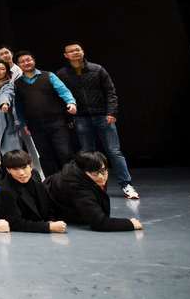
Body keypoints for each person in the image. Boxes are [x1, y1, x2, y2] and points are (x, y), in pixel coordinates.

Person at [57, 42, 138, 199]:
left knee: (114, 151)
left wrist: (112, 112)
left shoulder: (97, 69)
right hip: (81, 118)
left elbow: (110, 92)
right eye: (71, 51)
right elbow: (61, 97)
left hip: (103, 116)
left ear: (82, 51)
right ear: (66, 55)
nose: (75, 52)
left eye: (78, 49)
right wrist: (69, 117)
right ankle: (93, 186)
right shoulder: (62, 74)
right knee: (88, 154)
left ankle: (126, 185)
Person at [13, 50, 77, 177]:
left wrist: (71, 102)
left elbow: (63, 91)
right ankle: (51, 183)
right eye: (22, 61)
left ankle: (71, 181)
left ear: (33, 61)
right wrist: (23, 123)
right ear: (18, 65)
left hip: (56, 122)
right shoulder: (17, 83)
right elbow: (19, 106)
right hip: (35, 125)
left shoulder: (48, 76)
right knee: (45, 155)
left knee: (65, 152)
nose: (26, 63)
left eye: (28, 60)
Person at [46, 152, 143, 232]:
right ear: (84, 172)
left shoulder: (92, 175)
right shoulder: (76, 186)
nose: (101, 177)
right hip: (46, 208)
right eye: (95, 173)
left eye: (103, 170)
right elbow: (99, 223)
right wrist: (130, 224)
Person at [0, 150, 67, 233]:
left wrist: (51, 220)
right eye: (15, 169)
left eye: (24, 167)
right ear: (8, 170)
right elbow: (14, 223)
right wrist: (48, 227)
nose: (21, 173)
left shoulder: (35, 175)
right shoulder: (5, 190)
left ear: (30, 166)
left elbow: (47, 204)